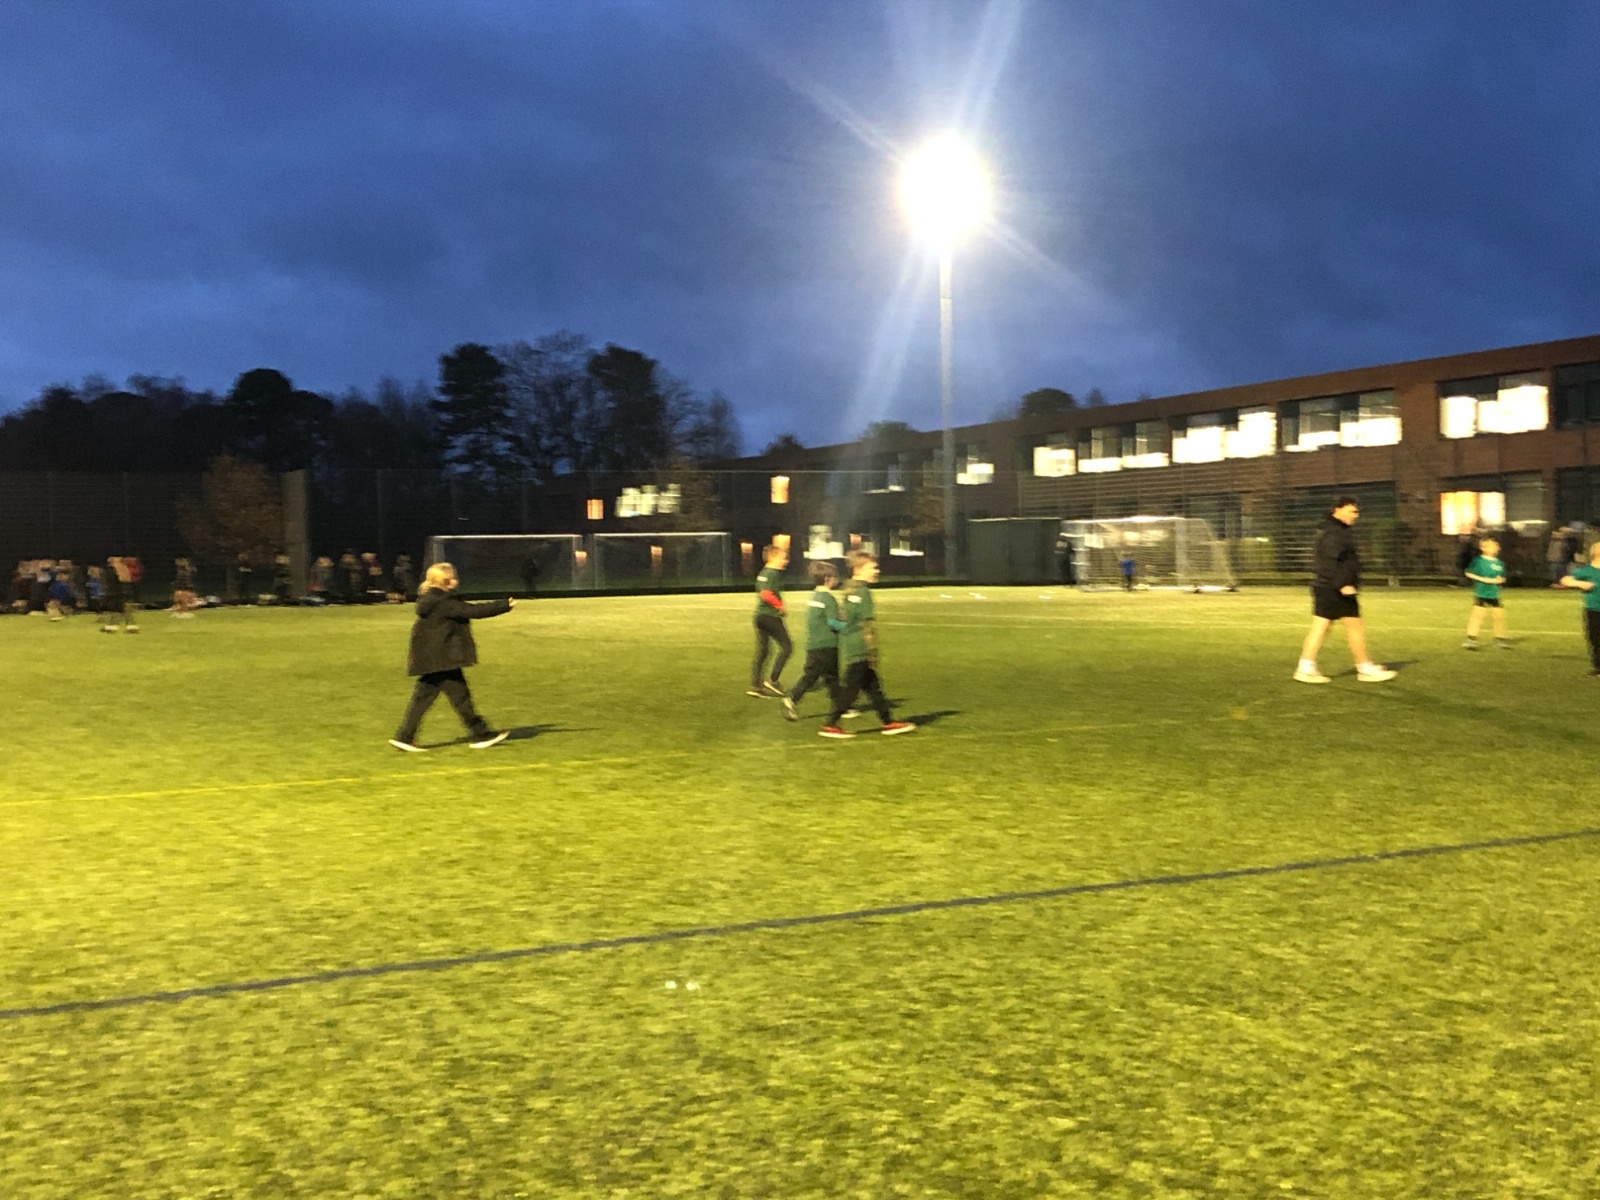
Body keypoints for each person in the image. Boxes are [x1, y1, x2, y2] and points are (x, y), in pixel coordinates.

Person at [390, 562, 516, 751]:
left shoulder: (431, 599)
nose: (457, 580)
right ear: (445, 581)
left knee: (423, 699)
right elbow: (473, 611)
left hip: (433, 657)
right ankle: (481, 734)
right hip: (442, 658)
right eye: (453, 577)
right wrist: (503, 605)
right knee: (460, 698)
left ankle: (405, 737)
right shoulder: (443, 602)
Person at [1293, 496, 1396, 684]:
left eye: (1356, 512)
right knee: (1351, 627)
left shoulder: (1335, 531)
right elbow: (1328, 563)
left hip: (1328, 587)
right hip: (1335, 589)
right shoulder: (1334, 534)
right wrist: (1342, 584)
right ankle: (1364, 668)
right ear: (1337, 510)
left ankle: (1306, 668)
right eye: (1351, 511)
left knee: (1324, 627)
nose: (1355, 515)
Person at [821, 550, 917, 738]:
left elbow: (844, 618)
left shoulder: (849, 589)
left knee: (874, 689)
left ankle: (888, 722)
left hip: (850, 644)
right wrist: (872, 651)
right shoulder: (863, 592)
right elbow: (867, 626)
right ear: (859, 569)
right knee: (851, 691)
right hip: (860, 648)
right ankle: (830, 723)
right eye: (872, 567)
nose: (876, 571)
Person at [781, 559, 846, 722]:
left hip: (814, 644)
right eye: (835, 577)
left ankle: (841, 706)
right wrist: (849, 627)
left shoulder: (814, 597)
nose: (836, 580)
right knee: (815, 676)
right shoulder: (828, 598)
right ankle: (792, 698)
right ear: (827, 579)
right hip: (827, 644)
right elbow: (832, 622)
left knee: (830, 678)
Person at [748, 543, 791, 698]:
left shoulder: (763, 573)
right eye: (783, 558)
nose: (786, 561)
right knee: (787, 647)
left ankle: (755, 686)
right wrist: (780, 606)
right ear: (773, 557)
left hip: (759, 616)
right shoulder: (772, 573)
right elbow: (766, 594)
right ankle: (773, 680)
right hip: (770, 616)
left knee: (763, 652)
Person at [1462, 536, 1510, 650]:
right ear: (1484, 548)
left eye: (1496, 546)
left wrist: (1499, 580)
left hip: (1494, 593)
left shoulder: (1499, 563)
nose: (1496, 548)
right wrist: (1483, 579)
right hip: (1482, 593)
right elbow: (1468, 573)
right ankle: (1471, 640)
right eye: (1493, 546)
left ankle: (1500, 640)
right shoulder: (1478, 561)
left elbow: (1503, 577)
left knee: (1498, 617)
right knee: (1477, 616)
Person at [1560, 542, 1600, 676]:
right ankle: (1597, 666)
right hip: (1593, 609)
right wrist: (1580, 583)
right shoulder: (1587, 571)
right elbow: (1565, 580)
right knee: (1594, 639)